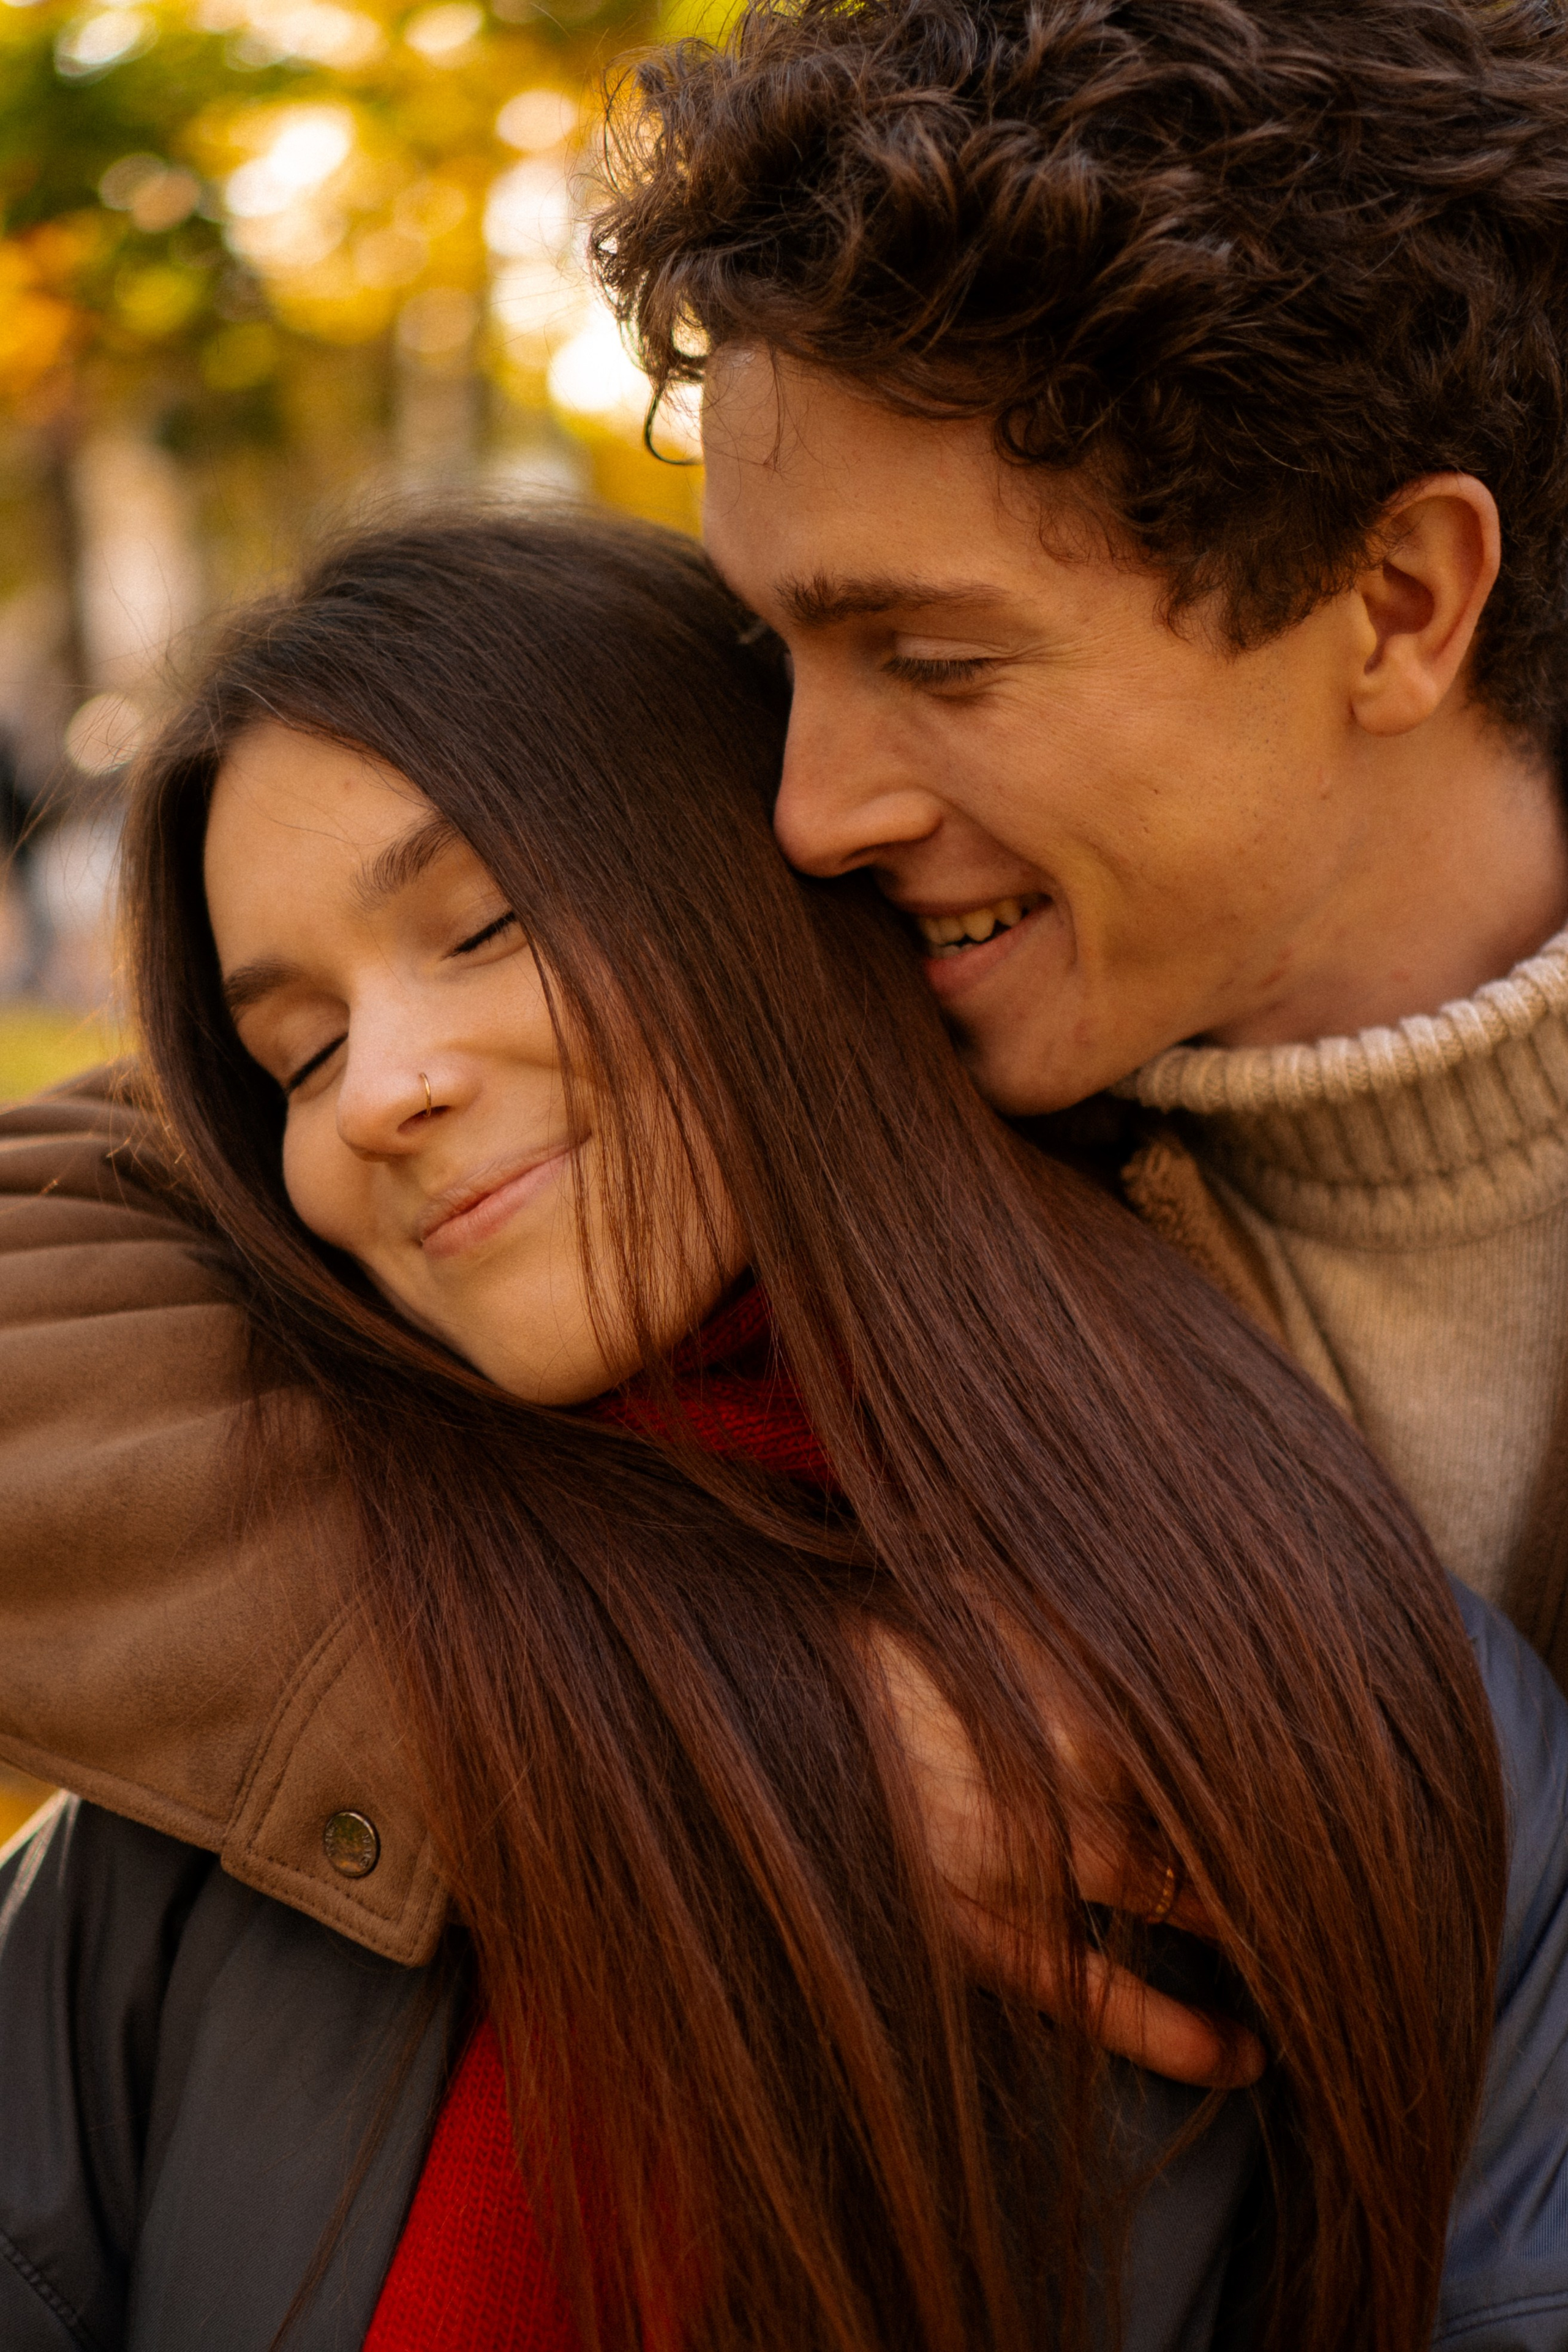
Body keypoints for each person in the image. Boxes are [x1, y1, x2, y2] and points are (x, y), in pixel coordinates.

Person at [0, 512, 1539, 2352]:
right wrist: (716, 1705)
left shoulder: (1365, 1699)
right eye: (298, 1057)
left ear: (770, 885)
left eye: (484, 925)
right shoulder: (223, 1789)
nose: (388, 1088)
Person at [592, 0, 1568, 1670]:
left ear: (1398, 604)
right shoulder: (776, 1037)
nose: (810, 818)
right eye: (778, 651)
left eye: (939, 662)